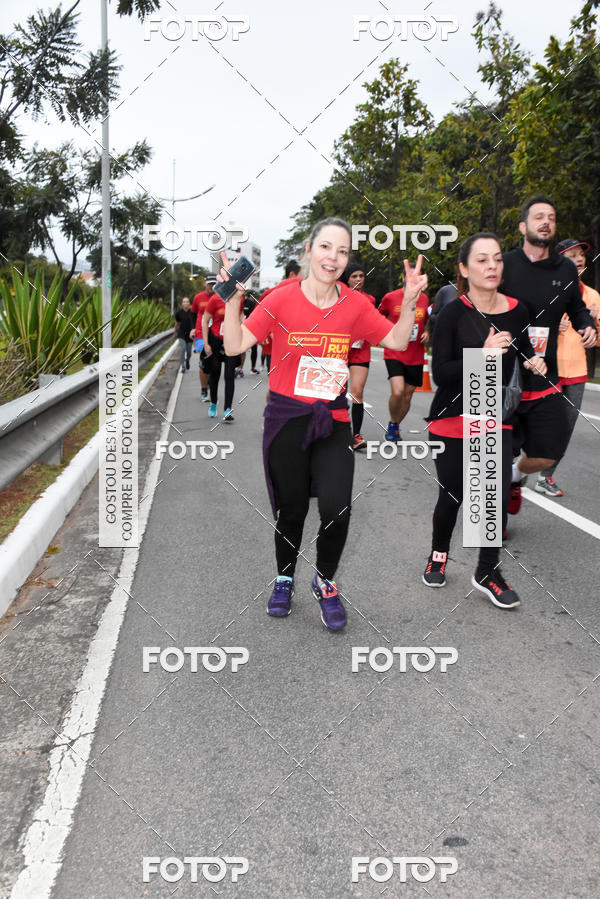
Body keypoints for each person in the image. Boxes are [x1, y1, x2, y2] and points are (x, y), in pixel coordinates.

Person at [222, 218, 426, 630]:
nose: (334, 257)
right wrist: (232, 298)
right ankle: (284, 578)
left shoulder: (354, 304)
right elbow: (234, 344)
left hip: (332, 420)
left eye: (343, 251)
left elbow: (398, 342)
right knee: (291, 510)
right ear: (309, 251)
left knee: (337, 508)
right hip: (286, 419)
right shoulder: (280, 299)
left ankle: (326, 582)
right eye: (326, 248)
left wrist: (408, 303)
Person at [423, 233, 547, 608]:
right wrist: (482, 355)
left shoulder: (518, 310)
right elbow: (440, 373)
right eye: (481, 260)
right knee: (454, 492)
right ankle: (439, 553)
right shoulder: (452, 314)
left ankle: (486, 571)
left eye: (496, 259)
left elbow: (523, 349)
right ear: (464, 269)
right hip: (452, 414)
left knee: (487, 496)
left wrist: (532, 361)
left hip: (492, 411)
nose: (492, 266)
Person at [500, 196, 597, 516]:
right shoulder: (504, 264)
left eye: (551, 218)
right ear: (523, 226)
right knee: (491, 459)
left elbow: (577, 308)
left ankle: (515, 476)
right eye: (538, 216)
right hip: (501, 370)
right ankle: (488, 542)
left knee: (547, 452)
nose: (545, 222)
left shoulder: (566, 267)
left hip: (545, 370)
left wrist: (586, 326)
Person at [535, 238, 600, 496]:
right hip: (546, 370)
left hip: (576, 372)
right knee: (539, 426)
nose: (579, 258)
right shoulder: (546, 289)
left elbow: (595, 342)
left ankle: (545, 476)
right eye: (572, 255)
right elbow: (529, 329)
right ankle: (516, 469)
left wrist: (594, 323)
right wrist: (554, 328)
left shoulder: (593, 296)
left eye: (581, 255)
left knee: (566, 428)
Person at [379, 266, 430, 441]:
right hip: (394, 351)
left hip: (415, 354)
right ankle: (393, 422)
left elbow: (427, 322)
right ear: (404, 276)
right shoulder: (390, 297)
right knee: (398, 390)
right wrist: (384, 333)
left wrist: (427, 333)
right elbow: (378, 316)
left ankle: (395, 425)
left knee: (408, 395)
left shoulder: (424, 298)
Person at [339, 262, 377, 450]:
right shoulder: (338, 296)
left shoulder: (369, 299)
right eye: (354, 276)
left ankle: (356, 435)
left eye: (361, 276)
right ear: (347, 278)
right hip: (339, 349)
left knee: (357, 392)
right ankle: (336, 430)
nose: (359, 279)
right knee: (335, 392)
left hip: (361, 350)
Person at [202, 286, 244, 422]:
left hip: (231, 341)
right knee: (215, 373)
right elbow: (205, 320)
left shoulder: (239, 299)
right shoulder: (215, 299)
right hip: (216, 340)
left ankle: (227, 409)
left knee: (229, 375)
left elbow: (241, 318)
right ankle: (214, 402)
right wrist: (206, 343)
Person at [191, 275, 217, 401]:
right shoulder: (198, 297)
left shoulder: (220, 297)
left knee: (213, 363)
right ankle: (203, 389)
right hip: (201, 333)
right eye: (210, 283)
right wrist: (192, 328)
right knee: (204, 362)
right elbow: (193, 314)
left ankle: (211, 387)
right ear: (204, 284)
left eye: (214, 283)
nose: (212, 286)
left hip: (216, 334)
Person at [173, 296, 195, 373]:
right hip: (181, 334)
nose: (185, 303)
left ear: (189, 303)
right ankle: (182, 365)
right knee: (183, 349)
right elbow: (176, 323)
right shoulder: (179, 313)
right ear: (182, 304)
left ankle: (187, 360)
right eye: (184, 302)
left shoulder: (192, 312)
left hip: (189, 335)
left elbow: (194, 323)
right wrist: (174, 333)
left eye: (187, 302)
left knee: (189, 351)